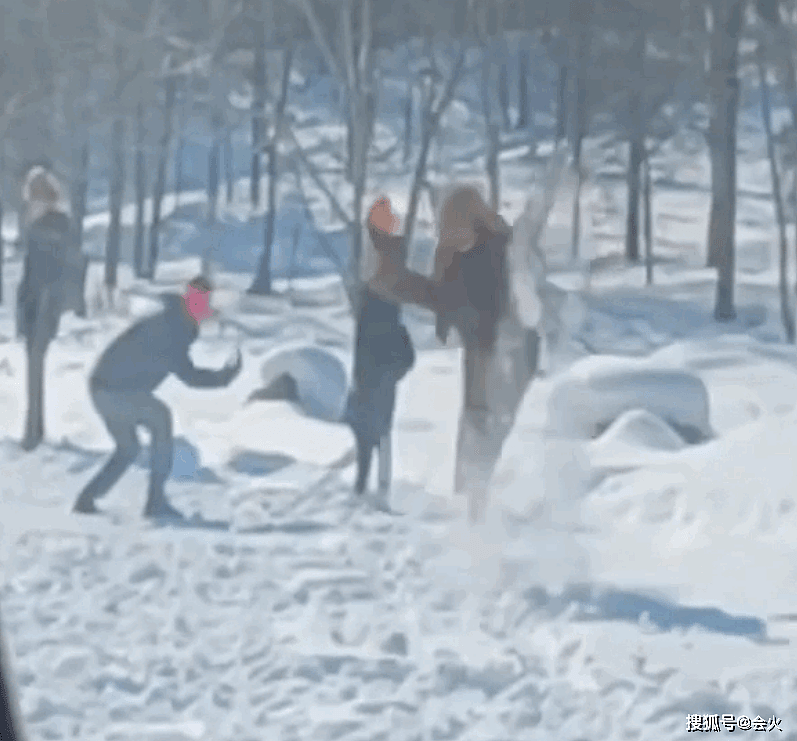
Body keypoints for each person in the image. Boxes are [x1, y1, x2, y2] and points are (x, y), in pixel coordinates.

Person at [72, 276, 242, 519]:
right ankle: (155, 503)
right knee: (160, 418)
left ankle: (86, 499)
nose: (204, 306)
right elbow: (188, 376)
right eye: (200, 300)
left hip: (103, 388)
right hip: (114, 390)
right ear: (189, 299)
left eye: (205, 301)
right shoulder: (173, 327)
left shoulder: (173, 322)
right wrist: (223, 378)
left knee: (128, 448)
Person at [345, 196, 466, 498]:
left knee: (374, 421)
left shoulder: (382, 255)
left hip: (376, 351)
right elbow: (405, 287)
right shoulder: (382, 257)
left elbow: (404, 288)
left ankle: (370, 486)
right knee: (376, 422)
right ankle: (371, 486)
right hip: (378, 350)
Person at [17, 167, 76, 451]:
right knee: (32, 369)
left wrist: (45, 306)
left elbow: (52, 271)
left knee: (35, 369)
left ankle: (33, 431)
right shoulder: (41, 223)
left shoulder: (53, 224)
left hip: (44, 303)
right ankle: (33, 428)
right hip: (35, 303)